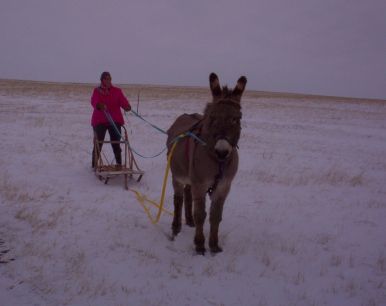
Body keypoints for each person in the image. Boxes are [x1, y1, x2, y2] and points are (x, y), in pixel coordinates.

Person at [91, 71, 131, 168]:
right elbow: (94, 101)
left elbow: (123, 101)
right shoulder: (97, 91)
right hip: (99, 120)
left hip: (115, 120)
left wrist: (127, 106)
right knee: (98, 142)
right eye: (106, 79)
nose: (108, 81)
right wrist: (99, 105)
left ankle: (118, 163)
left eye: (109, 79)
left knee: (116, 142)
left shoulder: (117, 91)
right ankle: (94, 164)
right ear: (102, 80)